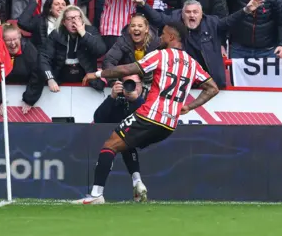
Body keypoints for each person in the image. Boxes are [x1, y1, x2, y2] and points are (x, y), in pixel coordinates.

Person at [75, 21, 220, 204]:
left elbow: (127, 69)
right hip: (169, 124)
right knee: (125, 142)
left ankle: (96, 195)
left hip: (150, 114)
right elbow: (213, 88)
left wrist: (96, 74)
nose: (160, 37)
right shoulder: (192, 64)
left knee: (110, 144)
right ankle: (138, 183)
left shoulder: (160, 56)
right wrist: (190, 107)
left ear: (171, 37)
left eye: (163, 34)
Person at [92, 74, 148, 202]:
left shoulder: (144, 101)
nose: (130, 87)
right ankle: (137, 181)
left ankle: (97, 193)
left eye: (134, 83)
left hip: (139, 139)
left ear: (140, 86)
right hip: (115, 140)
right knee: (121, 142)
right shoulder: (116, 100)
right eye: (127, 83)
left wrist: (137, 100)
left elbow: (149, 118)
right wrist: (111, 97)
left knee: (125, 141)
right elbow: (98, 118)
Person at [39, 5, 107, 92]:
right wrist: (50, 78)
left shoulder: (91, 31)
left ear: (82, 20)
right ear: (64, 22)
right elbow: (44, 57)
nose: (74, 22)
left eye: (78, 18)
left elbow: (101, 50)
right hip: (60, 77)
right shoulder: (56, 34)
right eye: (70, 18)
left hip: (87, 77)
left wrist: (83, 34)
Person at [0, 24, 44, 115]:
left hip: (25, 99)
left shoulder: (28, 49)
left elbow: (37, 74)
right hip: (2, 99)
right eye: (8, 40)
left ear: (20, 38)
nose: (13, 43)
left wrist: (30, 99)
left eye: (15, 39)